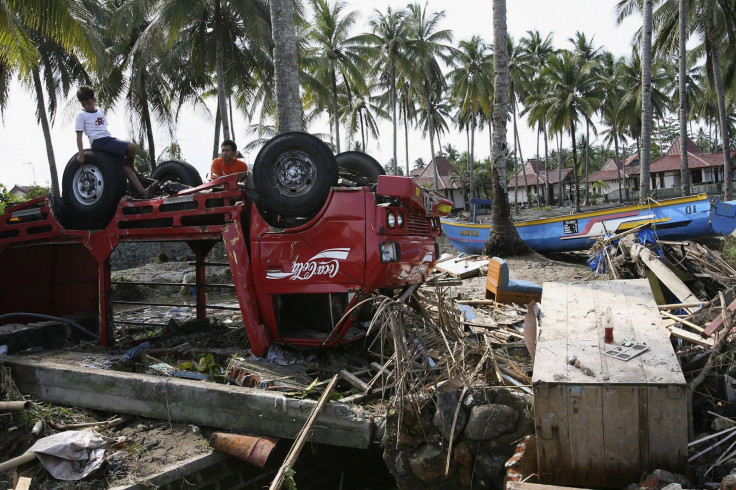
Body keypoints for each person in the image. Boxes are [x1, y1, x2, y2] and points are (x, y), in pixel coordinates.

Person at [75, 86, 155, 198]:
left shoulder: (101, 112)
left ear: (94, 100)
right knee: (131, 147)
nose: (87, 107)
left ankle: (143, 191)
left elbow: (104, 130)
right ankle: (134, 170)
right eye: (84, 105)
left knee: (125, 167)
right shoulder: (81, 115)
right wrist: (81, 153)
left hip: (107, 139)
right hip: (98, 142)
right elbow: (79, 136)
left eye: (89, 103)